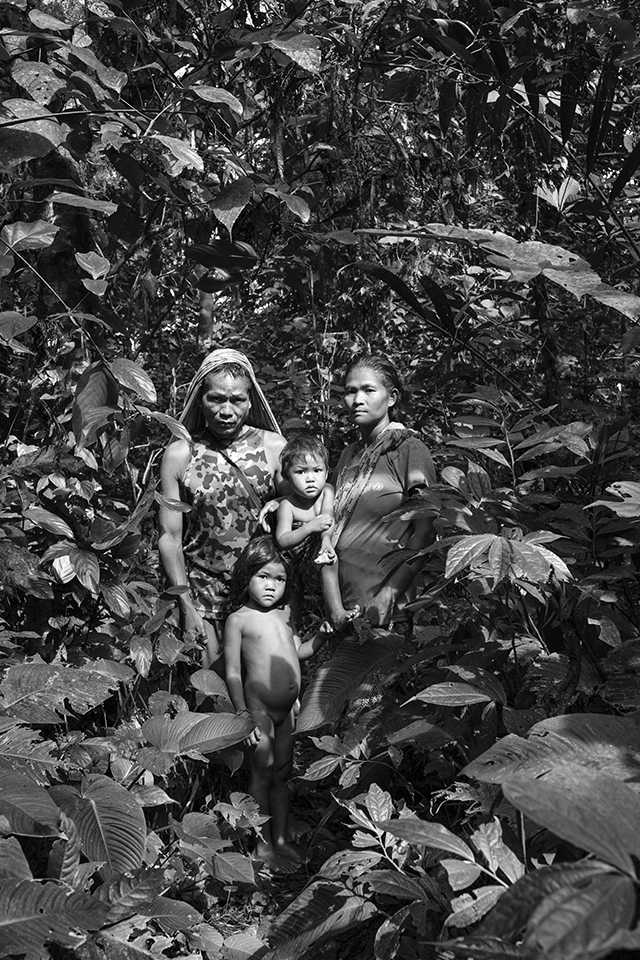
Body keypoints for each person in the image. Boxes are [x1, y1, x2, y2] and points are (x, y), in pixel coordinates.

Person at [158, 349, 287, 667]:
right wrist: (186, 607)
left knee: (265, 698)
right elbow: (169, 537)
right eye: (216, 399)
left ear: (250, 400)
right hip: (203, 601)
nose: (226, 411)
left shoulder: (274, 450)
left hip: (261, 598)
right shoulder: (180, 455)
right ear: (200, 398)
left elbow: (298, 522)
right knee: (213, 702)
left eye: (237, 400)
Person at [224, 536, 329, 873]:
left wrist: (325, 636)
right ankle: (262, 845)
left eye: (279, 579)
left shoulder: (285, 614)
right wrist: (243, 715)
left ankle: (281, 839)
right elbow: (233, 672)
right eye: (263, 577)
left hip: (287, 712)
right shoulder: (238, 620)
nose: (271, 586)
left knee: (282, 774)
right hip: (259, 712)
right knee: (261, 772)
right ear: (247, 577)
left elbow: (298, 651)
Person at [323, 354, 437, 631]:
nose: (357, 399)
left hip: (387, 613)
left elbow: (425, 534)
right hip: (344, 610)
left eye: (368, 390)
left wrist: (386, 598)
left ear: (392, 397)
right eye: (351, 391)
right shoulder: (350, 455)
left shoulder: (408, 449)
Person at [274, 434, 359, 626]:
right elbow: (282, 540)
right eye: (301, 472)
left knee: (329, 559)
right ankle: (291, 638)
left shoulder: (327, 491)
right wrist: (308, 528)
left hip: (316, 553)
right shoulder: (287, 506)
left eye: (317, 470)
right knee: (291, 606)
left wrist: (326, 541)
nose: (310, 478)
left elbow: (327, 518)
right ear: (287, 477)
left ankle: (336, 612)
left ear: (327, 472)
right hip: (292, 562)